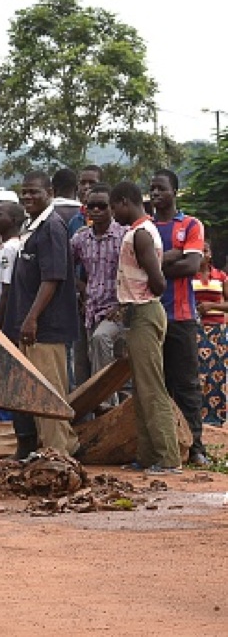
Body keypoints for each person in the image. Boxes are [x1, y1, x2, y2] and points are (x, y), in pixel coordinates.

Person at [0, 171, 80, 459]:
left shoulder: (53, 228)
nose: (28, 197)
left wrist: (32, 319)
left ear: (50, 192)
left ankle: (58, 454)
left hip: (46, 328)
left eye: (35, 192)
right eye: (24, 192)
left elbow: (53, 278)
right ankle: (51, 449)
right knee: (34, 394)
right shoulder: (34, 227)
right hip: (29, 327)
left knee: (49, 394)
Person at [109, 181, 181, 473]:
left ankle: (167, 458)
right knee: (141, 387)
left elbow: (159, 281)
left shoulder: (140, 234)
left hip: (145, 312)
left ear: (125, 202)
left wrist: (140, 298)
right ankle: (149, 456)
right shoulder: (140, 231)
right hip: (138, 313)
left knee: (151, 388)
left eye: (113, 207)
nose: (113, 213)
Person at [150, 169, 209, 465]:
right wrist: (174, 255)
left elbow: (192, 266)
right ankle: (166, 446)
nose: (156, 193)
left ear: (174, 191)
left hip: (181, 317)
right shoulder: (144, 226)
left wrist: (155, 269)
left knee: (185, 384)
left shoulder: (190, 225)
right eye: (152, 189)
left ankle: (196, 446)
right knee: (156, 384)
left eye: (161, 188)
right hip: (150, 316)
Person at [69, 184, 125, 383]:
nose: (96, 210)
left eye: (101, 206)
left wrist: (122, 304)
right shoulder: (81, 238)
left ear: (112, 207)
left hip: (118, 311)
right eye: (91, 206)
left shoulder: (124, 236)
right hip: (90, 310)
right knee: (84, 365)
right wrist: (80, 286)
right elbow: (63, 267)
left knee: (103, 341)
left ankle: (106, 404)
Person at [0, 200, 25, 424]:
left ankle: (7, 424)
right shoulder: (6, 247)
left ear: (12, 221)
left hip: (7, 322)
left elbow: (8, 289)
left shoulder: (10, 249)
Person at [194, 243, 227, 426]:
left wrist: (211, 306)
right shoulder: (187, 277)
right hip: (195, 329)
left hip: (217, 329)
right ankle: (196, 415)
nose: (201, 254)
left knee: (217, 372)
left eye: (205, 250)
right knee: (197, 371)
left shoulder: (220, 277)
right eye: (198, 251)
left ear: (210, 254)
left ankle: (215, 417)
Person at [67, 165, 105, 236]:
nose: (86, 187)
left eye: (92, 182)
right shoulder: (74, 221)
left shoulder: (111, 220)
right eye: (83, 183)